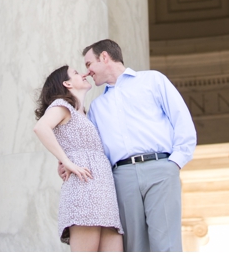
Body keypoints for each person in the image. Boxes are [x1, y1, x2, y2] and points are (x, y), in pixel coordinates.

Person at [62, 39, 197, 252]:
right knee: (134, 247)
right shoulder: (97, 107)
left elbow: (181, 120)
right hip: (121, 177)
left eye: (89, 64)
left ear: (104, 57)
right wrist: (69, 161)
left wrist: (174, 163)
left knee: (166, 245)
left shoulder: (153, 80)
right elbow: (93, 148)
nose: (87, 72)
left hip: (160, 168)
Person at [34, 65, 124, 251]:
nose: (83, 74)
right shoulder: (62, 106)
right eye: (76, 73)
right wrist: (66, 161)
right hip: (83, 188)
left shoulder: (87, 113)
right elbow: (41, 128)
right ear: (67, 83)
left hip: (104, 189)